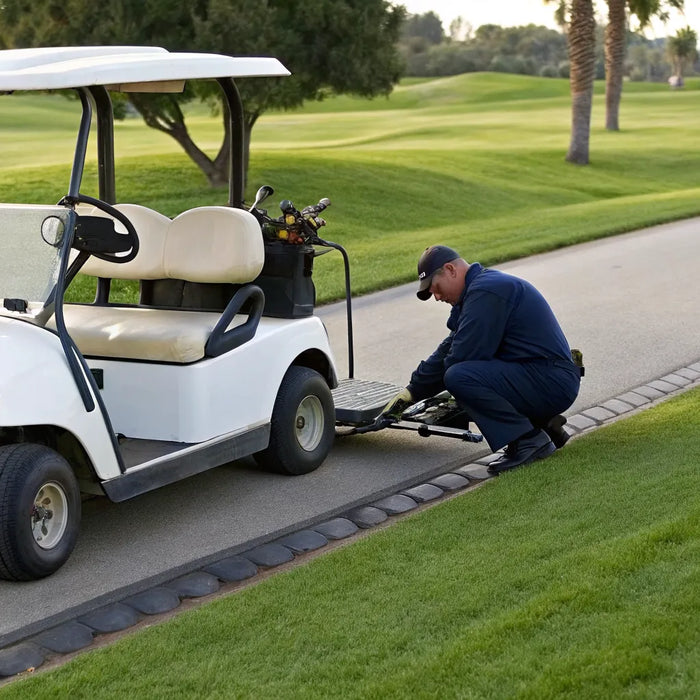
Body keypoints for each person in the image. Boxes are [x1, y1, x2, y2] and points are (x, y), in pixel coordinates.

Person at [382, 245, 582, 474]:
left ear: (450, 270)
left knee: (459, 377)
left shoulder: (486, 292)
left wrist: (438, 394)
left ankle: (529, 440)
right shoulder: (479, 291)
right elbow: (450, 346)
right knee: (461, 378)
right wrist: (412, 391)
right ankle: (544, 426)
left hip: (551, 382)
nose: (436, 297)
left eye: (435, 288)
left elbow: (460, 357)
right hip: (546, 375)